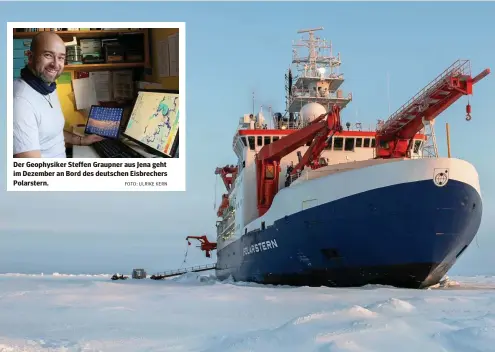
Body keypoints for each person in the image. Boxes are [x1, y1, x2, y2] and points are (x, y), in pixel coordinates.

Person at [13, 31, 103, 158]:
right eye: (48, 55)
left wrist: (81, 140)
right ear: (30, 57)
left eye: (60, 57)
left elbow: (50, 132)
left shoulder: (47, 86)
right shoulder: (19, 101)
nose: (55, 64)